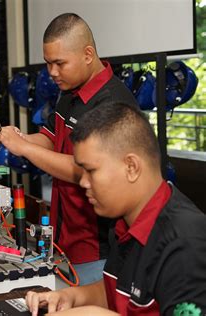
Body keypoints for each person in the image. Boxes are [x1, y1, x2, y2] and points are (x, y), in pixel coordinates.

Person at [25, 102, 206, 316]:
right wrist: (71, 297)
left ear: (131, 167)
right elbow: (119, 290)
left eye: (90, 171)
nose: (83, 182)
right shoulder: (124, 223)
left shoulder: (185, 242)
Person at [0, 13, 137, 285]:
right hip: (65, 242)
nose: (52, 72)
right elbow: (51, 138)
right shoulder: (70, 93)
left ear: (87, 54)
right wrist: (19, 138)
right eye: (48, 63)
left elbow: (82, 171)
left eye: (59, 63)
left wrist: (24, 149)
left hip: (97, 250)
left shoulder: (112, 105)